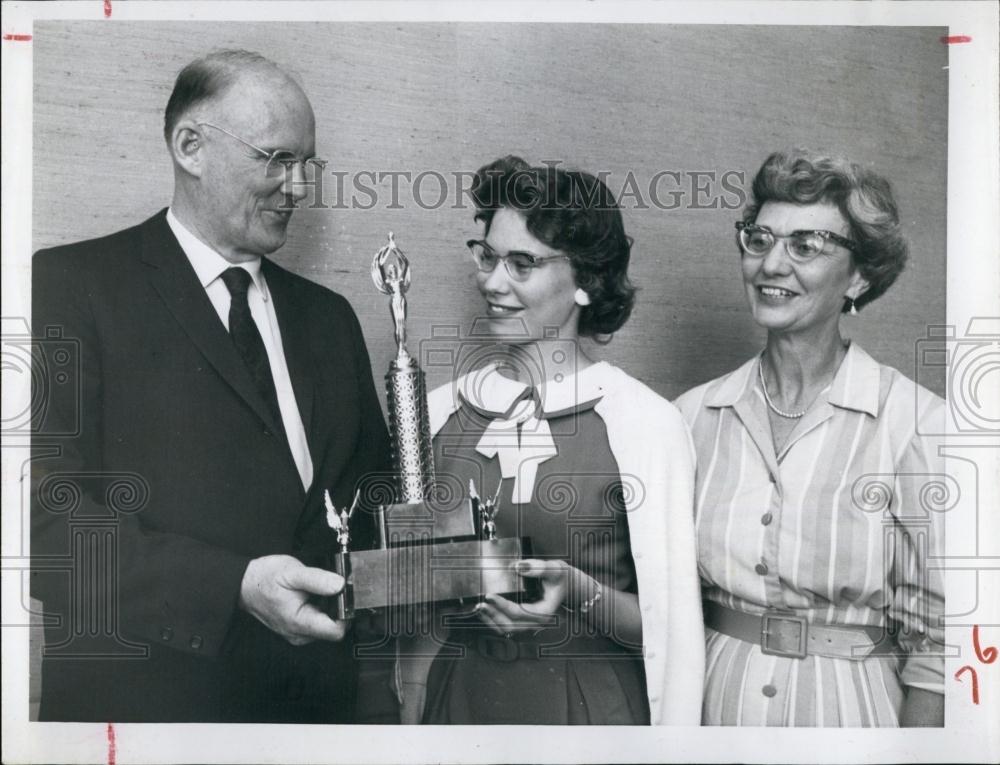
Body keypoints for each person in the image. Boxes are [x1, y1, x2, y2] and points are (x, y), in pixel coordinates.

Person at [30, 50, 390, 722]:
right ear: (190, 146)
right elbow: (42, 525)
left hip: (320, 718)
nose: (299, 186)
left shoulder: (331, 318)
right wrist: (235, 587)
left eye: (307, 164)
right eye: (276, 158)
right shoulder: (67, 288)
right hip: (149, 720)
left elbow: (373, 498)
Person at [396, 156, 704, 725]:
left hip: (588, 711)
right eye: (487, 256)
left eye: (522, 263)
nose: (491, 282)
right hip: (460, 706)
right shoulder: (435, 412)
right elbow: (411, 596)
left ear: (586, 280)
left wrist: (578, 589)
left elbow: (673, 632)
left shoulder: (643, 424)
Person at [675, 149, 945, 727]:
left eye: (806, 246)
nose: (772, 264)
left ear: (861, 275)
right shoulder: (692, 416)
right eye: (760, 239)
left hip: (853, 721)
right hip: (711, 711)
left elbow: (942, 645)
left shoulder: (916, 424)